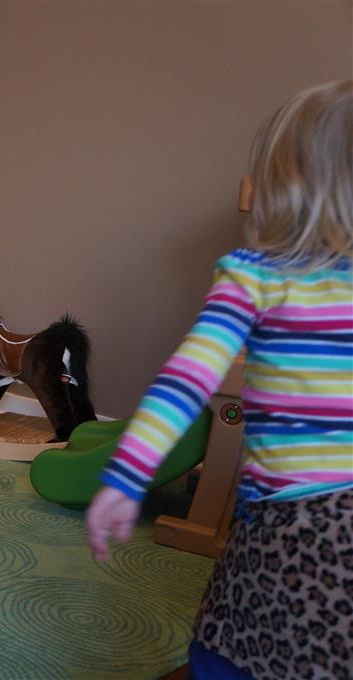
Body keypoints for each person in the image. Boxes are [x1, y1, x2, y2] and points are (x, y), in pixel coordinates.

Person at [87, 80, 352, 679]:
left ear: (282, 189)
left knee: (227, 652)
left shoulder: (256, 274)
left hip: (294, 528)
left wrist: (126, 477)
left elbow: (187, 379)